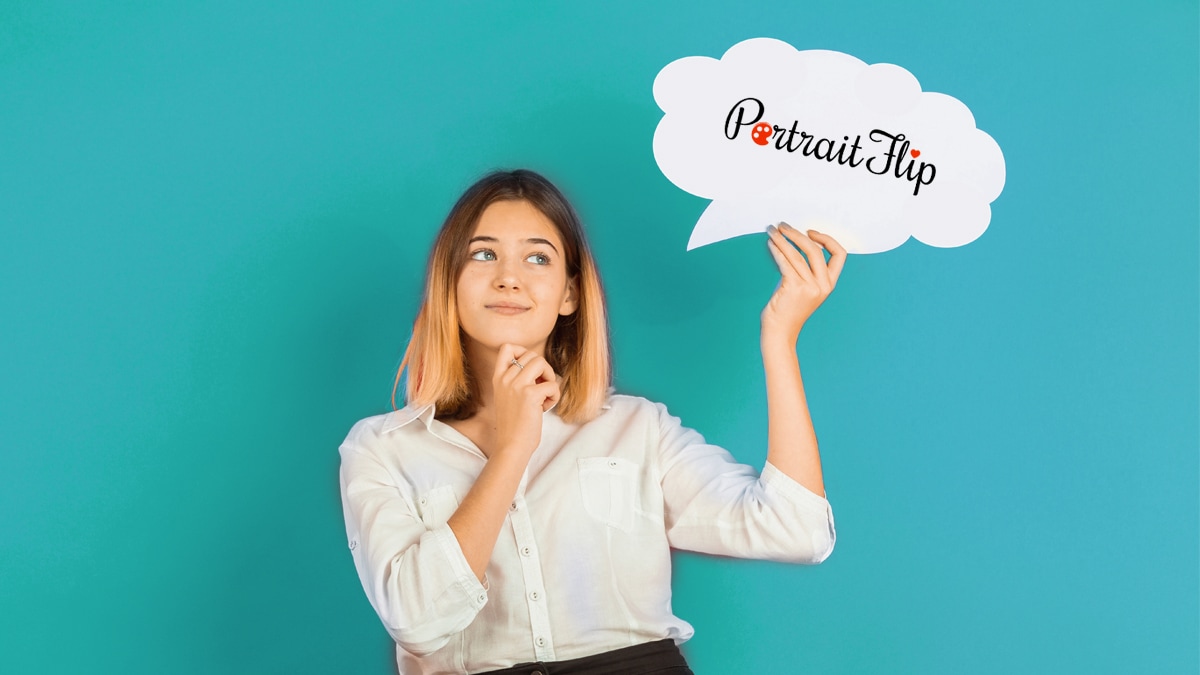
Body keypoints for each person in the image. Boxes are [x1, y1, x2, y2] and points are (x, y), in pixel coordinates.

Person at [338, 169, 845, 675]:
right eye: (483, 254)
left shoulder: (638, 429)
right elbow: (417, 622)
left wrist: (780, 339)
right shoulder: (382, 449)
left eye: (538, 258)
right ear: (448, 281)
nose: (508, 277)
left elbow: (797, 531)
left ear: (569, 295)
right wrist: (515, 447)